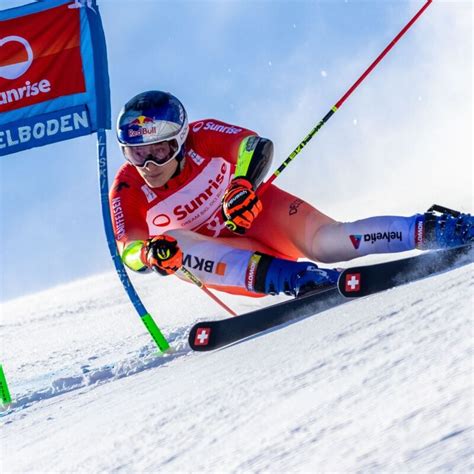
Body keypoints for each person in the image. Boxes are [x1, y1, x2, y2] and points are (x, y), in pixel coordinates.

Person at [110, 90, 473, 298]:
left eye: (160, 149)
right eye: (135, 151)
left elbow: (253, 145)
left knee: (329, 242)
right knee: (172, 245)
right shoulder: (127, 187)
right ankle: (297, 279)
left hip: (259, 214)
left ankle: (441, 230)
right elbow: (128, 249)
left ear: (181, 138)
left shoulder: (203, 135)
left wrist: (241, 185)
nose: (148, 163)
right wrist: (150, 254)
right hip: (228, 259)